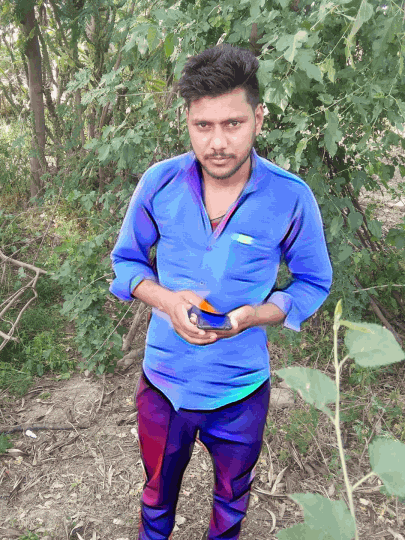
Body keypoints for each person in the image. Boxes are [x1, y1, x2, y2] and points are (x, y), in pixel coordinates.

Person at [110, 44, 333, 540]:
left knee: (231, 503)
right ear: (187, 121)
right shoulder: (159, 183)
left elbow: (313, 281)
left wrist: (254, 315)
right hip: (163, 384)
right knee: (155, 496)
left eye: (233, 124)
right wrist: (167, 301)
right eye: (203, 125)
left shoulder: (290, 196)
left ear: (259, 118)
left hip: (241, 391)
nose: (217, 142)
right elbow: (126, 262)